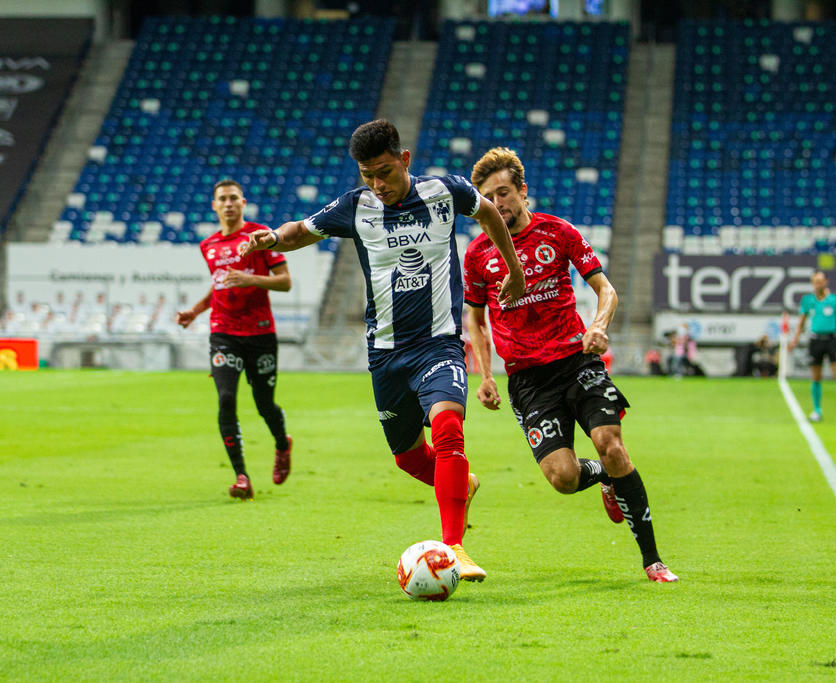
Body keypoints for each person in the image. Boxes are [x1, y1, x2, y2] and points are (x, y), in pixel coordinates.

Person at [241, 120, 525, 582]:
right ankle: (462, 484)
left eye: (385, 172)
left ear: (405, 159)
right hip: (386, 354)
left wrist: (512, 269)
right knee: (409, 457)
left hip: (439, 342)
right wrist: (272, 237)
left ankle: (454, 546)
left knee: (449, 426)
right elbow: (300, 230)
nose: (378, 184)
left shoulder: (445, 192)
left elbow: (489, 214)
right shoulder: (357, 206)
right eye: (368, 174)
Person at [463, 146, 679, 583]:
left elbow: (607, 290)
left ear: (523, 192)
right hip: (527, 379)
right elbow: (476, 320)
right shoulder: (476, 255)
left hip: (575, 360)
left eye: (504, 192)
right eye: (489, 197)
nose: (498, 203)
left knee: (611, 443)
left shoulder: (557, 232)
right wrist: (485, 375)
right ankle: (605, 479)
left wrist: (598, 327)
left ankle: (653, 560)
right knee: (562, 477)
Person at [176, 179, 294, 500]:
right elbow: (219, 287)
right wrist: (195, 311)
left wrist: (250, 278)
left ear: (243, 202)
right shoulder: (208, 245)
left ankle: (282, 444)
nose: (228, 204)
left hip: (260, 332)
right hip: (223, 332)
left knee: (264, 404)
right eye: (222, 199)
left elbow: (285, 282)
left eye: (233, 198)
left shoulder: (260, 235)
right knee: (226, 398)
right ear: (214, 206)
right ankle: (241, 476)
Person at [787, 271, 836, 423]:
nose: (816, 284)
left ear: (826, 282)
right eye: (814, 282)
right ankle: (817, 410)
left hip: (832, 340)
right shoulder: (808, 300)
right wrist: (794, 340)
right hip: (815, 340)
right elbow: (801, 322)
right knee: (815, 377)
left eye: (819, 281)